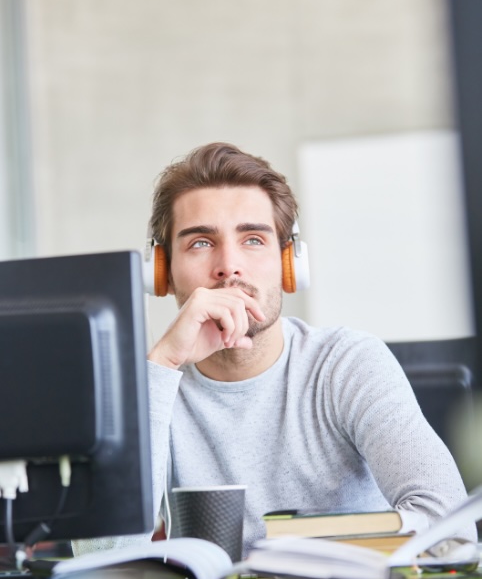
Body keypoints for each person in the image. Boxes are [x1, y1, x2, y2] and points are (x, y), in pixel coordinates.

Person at [73, 142, 475, 557]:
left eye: (252, 239)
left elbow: (451, 530)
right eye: (199, 243)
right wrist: (163, 364)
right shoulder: (147, 389)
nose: (229, 266)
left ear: (289, 266)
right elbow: (100, 559)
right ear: (163, 274)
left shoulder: (348, 364)